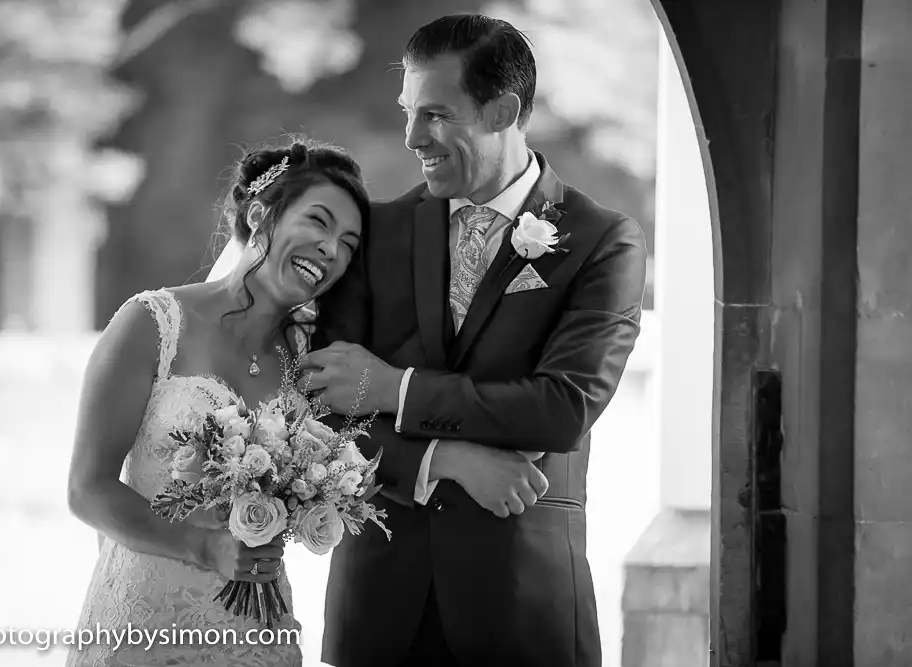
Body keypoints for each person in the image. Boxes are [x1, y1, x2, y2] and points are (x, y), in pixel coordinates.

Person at [302, 15, 648, 667]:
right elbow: (323, 410)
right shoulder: (373, 233)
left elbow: (559, 408)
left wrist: (394, 389)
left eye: (434, 114)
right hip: (379, 610)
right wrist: (442, 460)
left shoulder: (603, 242)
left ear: (502, 110)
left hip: (526, 609)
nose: (412, 138)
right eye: (407, 112)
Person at [65, 138, 370, 667]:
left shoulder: (313, 362)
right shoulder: (152, 323)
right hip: (144, 628)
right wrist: (203, 546)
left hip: (259, 631)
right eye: (319, 222)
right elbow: (86, 489)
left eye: (348, 243)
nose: (332, 250)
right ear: (259, 214)